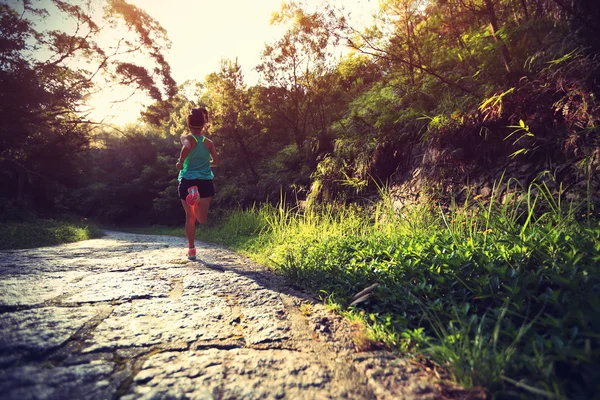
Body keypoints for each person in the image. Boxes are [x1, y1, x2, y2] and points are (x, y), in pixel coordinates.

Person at [176, 107, 220, 260]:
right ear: (203, 125)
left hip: (188, 180)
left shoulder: (187, 138)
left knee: (190, 217)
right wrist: (207, 165)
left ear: (189, 124)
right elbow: (217, 162)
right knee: (201, 219)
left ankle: (192, 250)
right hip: (205, 181)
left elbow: (187, 147)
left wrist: (181, 162)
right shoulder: (208, 143)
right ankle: (198, 196)